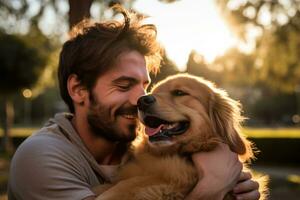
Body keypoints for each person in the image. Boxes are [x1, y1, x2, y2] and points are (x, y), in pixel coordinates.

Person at [8, 6, 260, 200]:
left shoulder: (142, 146)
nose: (141, 99)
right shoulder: (40, 157)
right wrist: (212, 187)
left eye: (144, 86)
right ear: (78, 89)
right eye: (123, 85)